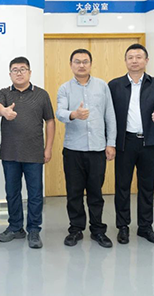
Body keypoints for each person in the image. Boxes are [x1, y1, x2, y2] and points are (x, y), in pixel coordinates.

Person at [108, 44, 154, 245]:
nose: (134, 60)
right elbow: (108, 114)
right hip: (124, 143)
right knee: (122, 186)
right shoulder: (115, 85)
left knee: (147, 186)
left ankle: (145, 227)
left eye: (138, 57)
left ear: (146, 60)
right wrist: (109, 142)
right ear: (125, 61)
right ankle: (123, 226)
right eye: (130, 57)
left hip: (148, 142)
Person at [55, 48, 116, 248]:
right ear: (71, 65)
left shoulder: (102, 86)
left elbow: (110, 116)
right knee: (74, 192)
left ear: (90, 64)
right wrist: (74, 114)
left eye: (85, 61)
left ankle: (98, 230)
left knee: (95, 192)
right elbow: (60, 112)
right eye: (77, 61)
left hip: (98, 148)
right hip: (73, 149)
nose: (81, 65)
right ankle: (75, 229)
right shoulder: (64, 88)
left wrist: (111, 143)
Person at [0, 57, 55, 249]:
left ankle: (34, 230)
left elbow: (50, 121)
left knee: (35, 193)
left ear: (29, 72)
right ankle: (15, 227)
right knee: (12, 192)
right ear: (10, 74)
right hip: (10, 152)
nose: (19, 73)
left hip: (34, 153)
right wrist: (4, 111)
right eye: (15, 70)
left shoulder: (41, 94)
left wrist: (48, 148)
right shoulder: (4, 93)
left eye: (23, 69)